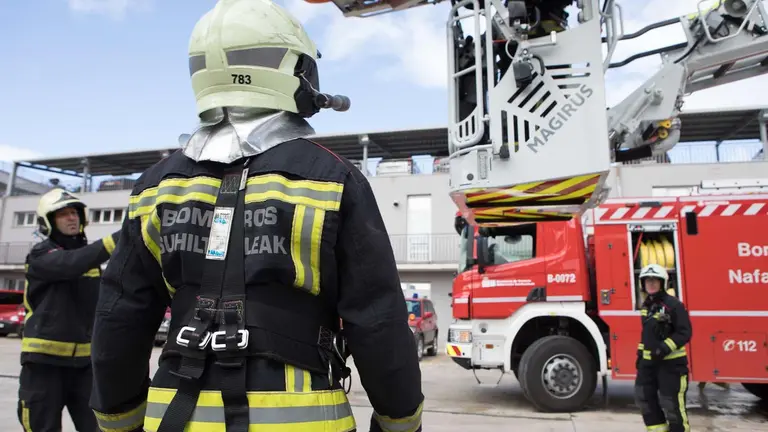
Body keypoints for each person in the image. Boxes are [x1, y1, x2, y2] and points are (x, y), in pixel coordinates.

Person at [87, 0, 424, 431]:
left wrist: (120, 419)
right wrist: (400, 420)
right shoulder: (334, 179)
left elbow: (119, 319)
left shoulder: (155, 187)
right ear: (290, 70)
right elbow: (377, 321)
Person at [18, 188, 120, 431]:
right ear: (49, 221)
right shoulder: (41, 255)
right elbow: (71, 264)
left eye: (74, 212)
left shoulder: (89, 260)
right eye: (63, 214)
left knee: (97, 426)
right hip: (43, 365)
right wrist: (121, 237)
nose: (72, 218)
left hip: (84, 367)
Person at [634, 263, 692, 432]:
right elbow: (646, 334)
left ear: (663, 283)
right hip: (648, 365)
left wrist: (664, 347)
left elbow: (685, 332)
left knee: (672, 405)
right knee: (645, 400)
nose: (651, 284)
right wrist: (640, 354)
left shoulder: (674, 305)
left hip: (671, 366)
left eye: (655, 281)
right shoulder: (647, 306)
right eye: (647, 281)